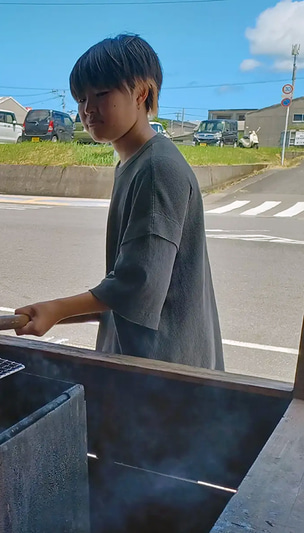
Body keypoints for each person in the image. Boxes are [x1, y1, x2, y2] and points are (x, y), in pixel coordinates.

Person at [14, 34, 223, 370]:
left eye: (101, 94)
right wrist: (54, 314)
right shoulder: (134, 163)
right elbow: (129, 288)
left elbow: (137, 284)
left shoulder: (157, 168)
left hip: (167, 372)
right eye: (81, 99)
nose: (87, 109)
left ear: (141, 92)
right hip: (145, 361)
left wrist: (57, 308)